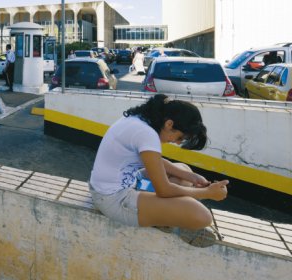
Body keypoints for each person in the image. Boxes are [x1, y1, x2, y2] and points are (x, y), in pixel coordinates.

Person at [89, 94, 229, 247]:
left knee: (183, 171)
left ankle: (162, 214)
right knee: (202, 216)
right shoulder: (147, 134)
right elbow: (164, 190)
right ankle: (163, 218)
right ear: (169, 124)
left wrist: (191, 176)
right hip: (113, 200)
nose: (176, 142)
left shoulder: (139, 120)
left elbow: (154, 160)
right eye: (179, 137)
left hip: (118, 183)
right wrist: (207, 193)